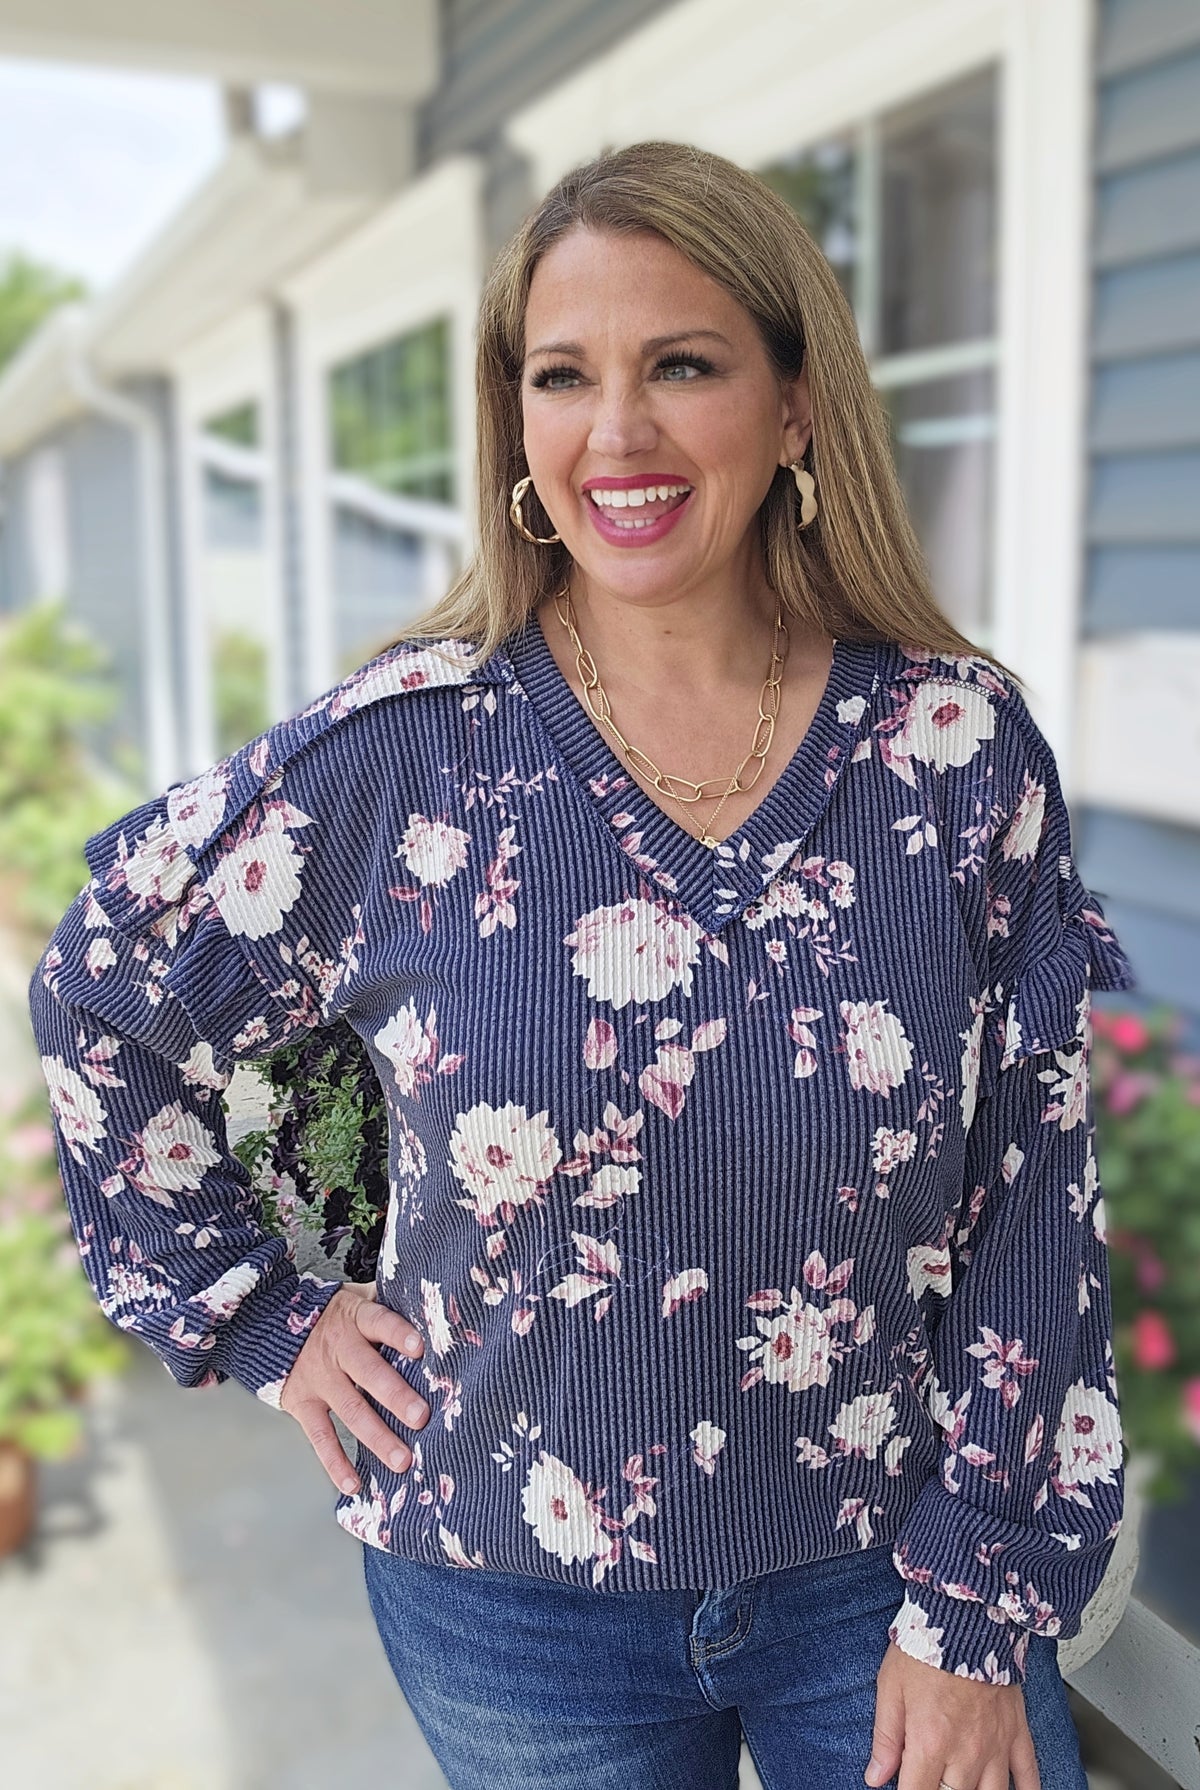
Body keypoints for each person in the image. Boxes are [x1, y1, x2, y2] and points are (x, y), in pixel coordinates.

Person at [29, 140, 1134, 1790]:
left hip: (891, 1569)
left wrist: (976, 1601)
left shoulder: (954, 751)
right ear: (518, 428)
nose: (615, 433)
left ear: (793, 403)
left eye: (681, 364)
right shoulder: (403, 756)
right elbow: (106, 979)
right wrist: (263, 1313)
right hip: (506, 1598)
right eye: (564, 376)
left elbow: (1036, 1190)